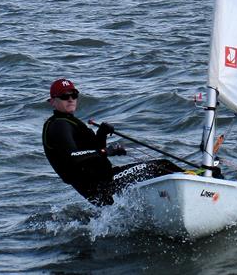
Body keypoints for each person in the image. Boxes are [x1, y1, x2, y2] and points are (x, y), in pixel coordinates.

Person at [42, 78, 182, 206]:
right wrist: (106, 151)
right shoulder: (59, 125)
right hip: (101, 184)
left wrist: (101, 134)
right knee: (161, 166)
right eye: (64, 96)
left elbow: (93, 156)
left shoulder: (68, 122)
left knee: (158, 170)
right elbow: (72, 156)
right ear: (52, 101)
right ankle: (196, 183)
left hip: (103, 182)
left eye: (74, 95)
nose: (70, 99)